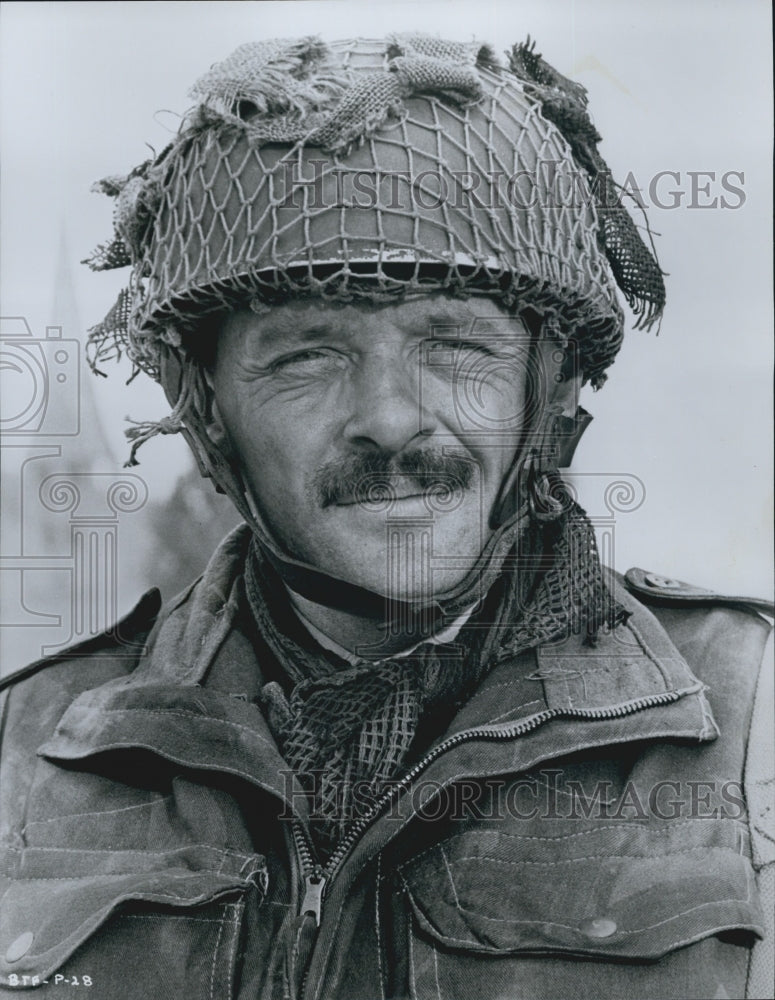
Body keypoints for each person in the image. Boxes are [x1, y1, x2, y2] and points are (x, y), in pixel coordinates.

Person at [0, 33, 771, 1000]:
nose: (390, 419)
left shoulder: (746, 722)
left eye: (454, 344)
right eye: (306, 357)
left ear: (550, 388)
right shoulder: (28, 746)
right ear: (206, 413)